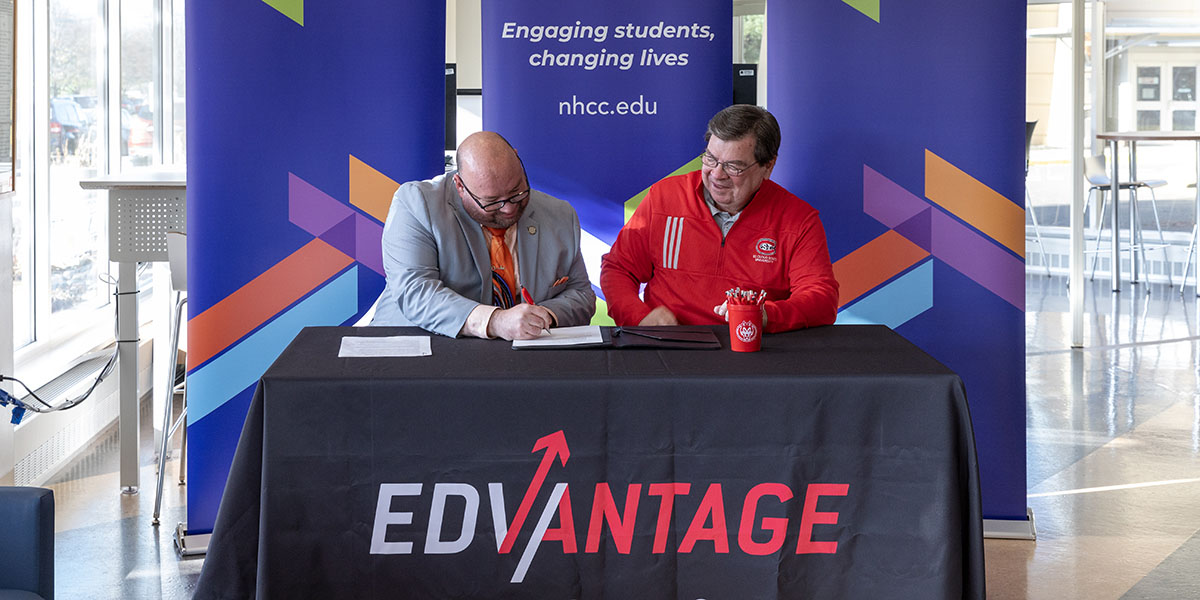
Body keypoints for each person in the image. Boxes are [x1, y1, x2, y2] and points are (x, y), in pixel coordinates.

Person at [599, 104, 838, 332]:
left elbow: (822, 299)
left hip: (753, 348)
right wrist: (638, 318)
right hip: (670, 346)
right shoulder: (664, 197)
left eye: (734, 166)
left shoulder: (798, 220)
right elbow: (619, 268)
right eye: (710, 158)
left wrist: (766, 315)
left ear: (768, 166)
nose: (716, 174)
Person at [372, 131, 596, 340]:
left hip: (518, 359)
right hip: (416, 348)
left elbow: (581, 293)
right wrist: (495, 321)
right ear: (459, 185)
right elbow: (416, 291)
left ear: (518, 160)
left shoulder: (560, 214)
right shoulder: (417, 203)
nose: (508, 209)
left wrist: (542, 316)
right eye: (492, 202)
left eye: (517, 192)